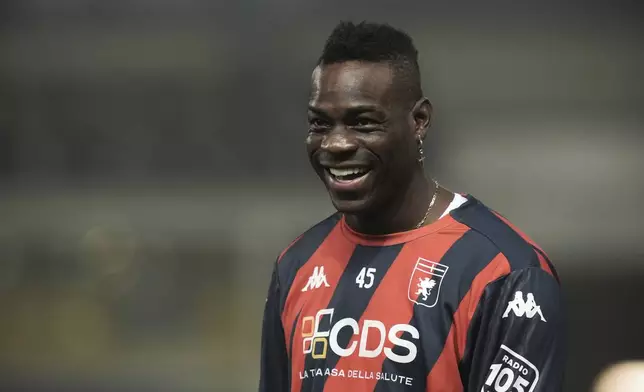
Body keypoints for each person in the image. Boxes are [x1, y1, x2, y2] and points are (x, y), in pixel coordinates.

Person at [259, 21, 565, 392]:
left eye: (363, 123)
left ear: (419, 120)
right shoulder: (296, 264)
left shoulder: (504, 273)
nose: (336, 144)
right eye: (320, 124)